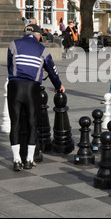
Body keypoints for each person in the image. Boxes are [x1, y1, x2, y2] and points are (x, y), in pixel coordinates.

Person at [7, 24, 65, 171]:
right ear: (38, 35)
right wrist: (59, 86)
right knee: (33, 123)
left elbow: (9, 66)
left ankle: (16, 159)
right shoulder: (42, 49)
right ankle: (29, 160)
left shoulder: (13, 44)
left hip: (14, 87)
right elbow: (52, 71)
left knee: (15, 123)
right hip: (32, 89)